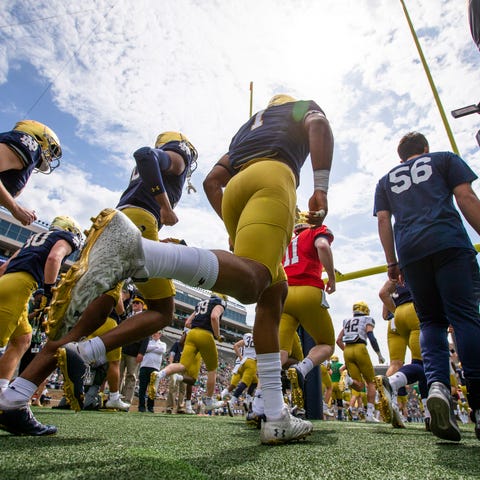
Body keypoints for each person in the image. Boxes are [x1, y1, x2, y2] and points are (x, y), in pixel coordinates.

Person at [0, 94, 333, 444]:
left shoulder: (246, 131)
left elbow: (212, 182)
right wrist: (321, 189)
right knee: (249, 285)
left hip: (234, 189)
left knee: (272, 292)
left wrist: (234, 226)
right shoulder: (292, 110)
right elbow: (319, 125)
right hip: (266, 180)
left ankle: (274, 410)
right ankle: (139, 257)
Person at [374, 131, 480, 441]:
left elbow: (383, 220)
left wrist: (392, 263)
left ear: (400, 156)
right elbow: (465, 197)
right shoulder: (444, 159)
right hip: (448, 242)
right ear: (425, 149)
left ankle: (437, 386)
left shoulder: (385, 180)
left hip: (410, 253)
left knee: (432, 321)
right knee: (464, 319)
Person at [0, 216, 82, 397]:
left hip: (8, 282)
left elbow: (4, 267)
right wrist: (48, 291)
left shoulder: (32, 240)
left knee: (22, 340)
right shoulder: (66, 238)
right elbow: (54, 258)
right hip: (21, 286)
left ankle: (2, 391)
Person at [279, 211, 336, 411]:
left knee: (280, 353)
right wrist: (331, 276)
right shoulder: (314, 232)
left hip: (284, 295)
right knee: (327, 344)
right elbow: (322, 245)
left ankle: (263, 397)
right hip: (308, 291)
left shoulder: (286, 242)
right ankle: (301, 369)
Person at [151, 294, 226, 412]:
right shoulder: (220, 302)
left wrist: (199, 325)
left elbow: (187, 323)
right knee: (212, 369)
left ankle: (159, 375)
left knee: (182, 365)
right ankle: (209, 400)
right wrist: (217, 335)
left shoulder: (202, 303)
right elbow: (214, 317)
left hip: (191, 335)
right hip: (205, 335)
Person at [376, 279, 429, 429]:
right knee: (422, 362)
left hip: (395, 319)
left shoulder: (394, 279)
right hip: (414, 312)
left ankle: (391, 401)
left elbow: (384, 309)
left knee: (395, 364)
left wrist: (396, 311)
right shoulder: (417, 269)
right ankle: (428, 414)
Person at [0, 120, 62, 225]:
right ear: (39, 138)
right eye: (53, 149)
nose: (51, 158)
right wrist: (16, 208)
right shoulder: (30, 145)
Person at [336, 301, 385, 423]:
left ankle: (348, 380)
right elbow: (371, 336)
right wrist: (379, 354)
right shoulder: (367, 319)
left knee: (358, 385)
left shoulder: (347, 321)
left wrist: (346, 351)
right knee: (371, 382)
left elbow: (338, 340)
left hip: (347, 350)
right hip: (360, 348)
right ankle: (369, 414)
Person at [118, 296, 148, 405]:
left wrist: (142, 352)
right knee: (118, 374)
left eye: (138, 303)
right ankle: (116, 397)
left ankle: (126, 400)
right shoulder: (128, 316)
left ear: (142, 305)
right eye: (134, 302)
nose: (135, 304)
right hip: (123, 348)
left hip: (135, 351)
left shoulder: (145, 318)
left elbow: (146, 336)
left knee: (131, 376)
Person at [226, 332, 257, 416]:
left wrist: (240, 357)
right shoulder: (261, 338)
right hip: (251, 362)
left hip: (243, 361)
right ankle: (232, 402)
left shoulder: (248, 337)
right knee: (244, 383)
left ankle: (248, 400)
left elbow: (236, 345)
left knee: (255, 382)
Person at [137, 331, 166, 413]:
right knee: (142, 388)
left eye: (157, 332)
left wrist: (150, 348)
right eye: (154, 332)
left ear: (160, 334)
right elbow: (145, 349)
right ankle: (141, 407)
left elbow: (162, 350)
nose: (155, 334)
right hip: (144, 366)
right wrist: (155, 347)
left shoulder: (163, 344)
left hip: (155, 368)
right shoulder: (147, 342)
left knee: (152, 389)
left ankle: (150, 407)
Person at [165, 330, 187, 414]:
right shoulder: (177, 344)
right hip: (176, 366)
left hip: (185, 368)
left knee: (182, 389)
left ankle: (180, 407)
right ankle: (169, 407)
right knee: (173, 386)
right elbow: (172, 355)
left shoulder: (190, 346)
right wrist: (171, 365)